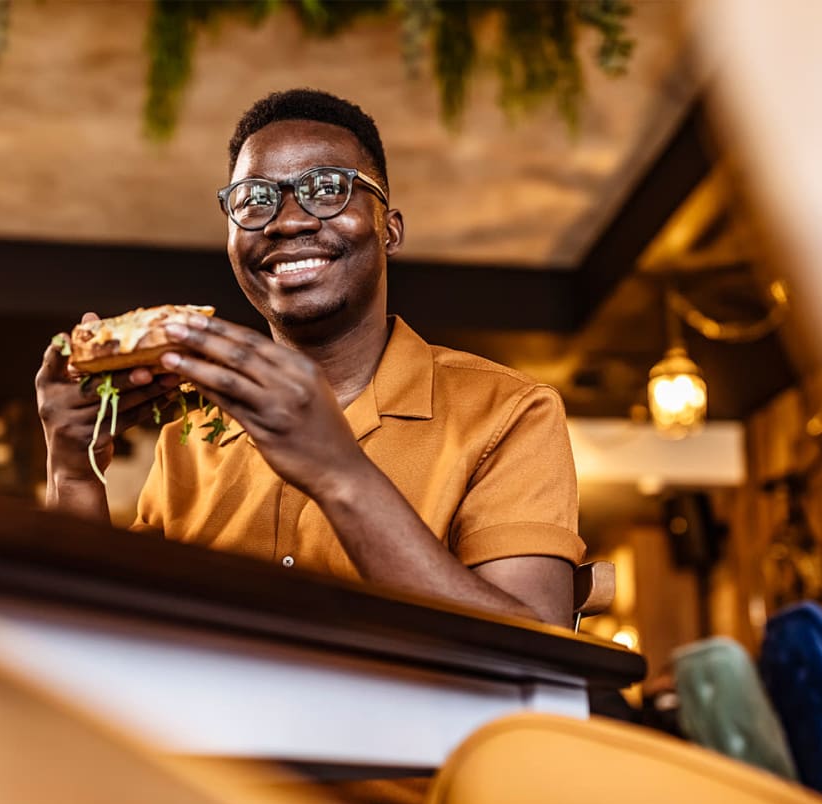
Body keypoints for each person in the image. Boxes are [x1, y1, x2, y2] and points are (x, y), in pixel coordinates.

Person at [36, 88, 584, 628]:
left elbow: (540, 645)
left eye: (327, 189)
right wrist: (73, 473)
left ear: (388, 229)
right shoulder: (193, 434)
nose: (286, 221)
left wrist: (338, 471)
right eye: (254, 198)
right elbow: (109, 641)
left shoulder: (510, 411)